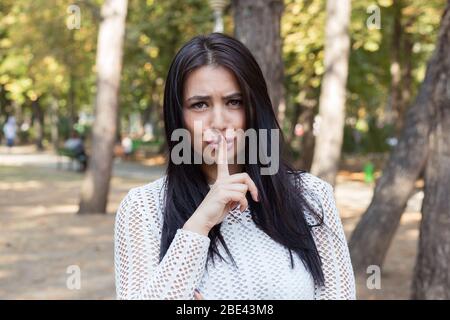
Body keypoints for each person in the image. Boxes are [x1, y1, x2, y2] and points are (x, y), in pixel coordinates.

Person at [114, 33, 355, 300]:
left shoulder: (311, 196)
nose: (219, 121)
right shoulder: (143, 209)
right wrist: (200, 222)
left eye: (234, 102)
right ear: (178, 116)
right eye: (200, 104)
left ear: (255, 107)